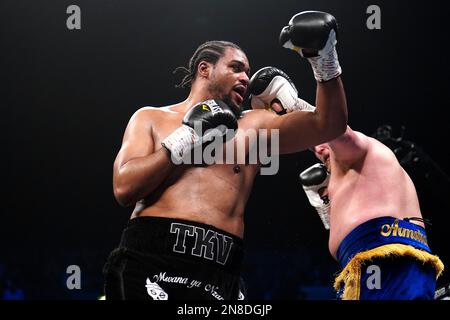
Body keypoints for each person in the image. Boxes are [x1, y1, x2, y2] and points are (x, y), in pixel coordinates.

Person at [103, 11, 348, 300]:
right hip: (152, 258)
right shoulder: (151, 118)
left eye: (247, 70)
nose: (246, 77)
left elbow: (328, 125)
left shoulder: (254, 124)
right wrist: (185, 138)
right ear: (205, 69)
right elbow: (124, 188)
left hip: (222, 268)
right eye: (235, 68)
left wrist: (324, 59)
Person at [300, 126, 445, 299]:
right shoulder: (343, 180)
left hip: (387, 265)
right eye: (312, 147)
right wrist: (323, 204)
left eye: (320, 140)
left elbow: (333, 126)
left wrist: (288, 107)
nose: (318, 149)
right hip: (365, 273)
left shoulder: (362, 147)